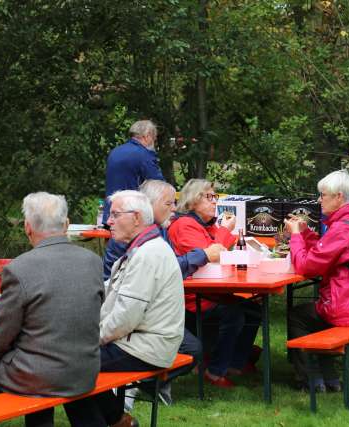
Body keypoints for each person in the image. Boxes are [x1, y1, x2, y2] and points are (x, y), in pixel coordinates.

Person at [0, 192, 105, 427]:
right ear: (66, 224)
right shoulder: (93, 261)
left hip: (39, 375)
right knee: (33, 358)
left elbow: (3, 334)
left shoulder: (20, 268)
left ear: (27, 228)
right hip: (84, 370)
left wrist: (0, 353)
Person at [113, 180, 224, 409]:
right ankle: (134, 382)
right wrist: (203, 253)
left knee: (200, 342)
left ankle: (144, 381)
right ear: (148, 205)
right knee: (196, 344)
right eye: (169, 203)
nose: (175, 207)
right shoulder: (130, 236)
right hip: (134, 315)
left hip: (154, 310)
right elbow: (171, 269)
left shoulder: (158, 231)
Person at [92, 190, 184, 427]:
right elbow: (112, 292)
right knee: (70, 362)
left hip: (144, 349)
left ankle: (115, 420)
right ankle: (117, 419)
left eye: (114, 215)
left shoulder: (147, 254)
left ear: (135, 218)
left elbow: (125, 319)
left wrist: (90, 340)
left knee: (68, 364)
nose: (108, 221)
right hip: (140, 343)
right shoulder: (145, 248)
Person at [286, 170, 349, 392]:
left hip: (347, 307)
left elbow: (307, 267)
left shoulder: (342, 229)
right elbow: (326, 251)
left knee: (298, 316)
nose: (319, 200)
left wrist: (296, 237)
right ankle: (329, 378)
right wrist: (306, 233)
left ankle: (309, 379)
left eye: (323, 195)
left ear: (339, 197)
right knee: (313, 316)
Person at [168, 179, 260, 388]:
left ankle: (234, 363)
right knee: (233, 315)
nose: (214, 202)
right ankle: (214, 371)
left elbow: (221, 249)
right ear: (192, 202)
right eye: (208, 197)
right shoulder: (184, 225)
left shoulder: (204, 225)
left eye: (214, 197)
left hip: (211, 288)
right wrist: (225, 230)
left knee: (253, 309)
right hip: (192, 295)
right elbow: (212, 254)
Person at [102, 120, 165, 280]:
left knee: (112, 269)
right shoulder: (143, 155)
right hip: (133, 219)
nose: (154, 142)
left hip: (111, 215)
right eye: (154, 138)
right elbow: (159, 186)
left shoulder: (115, 152)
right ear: (147, 136)